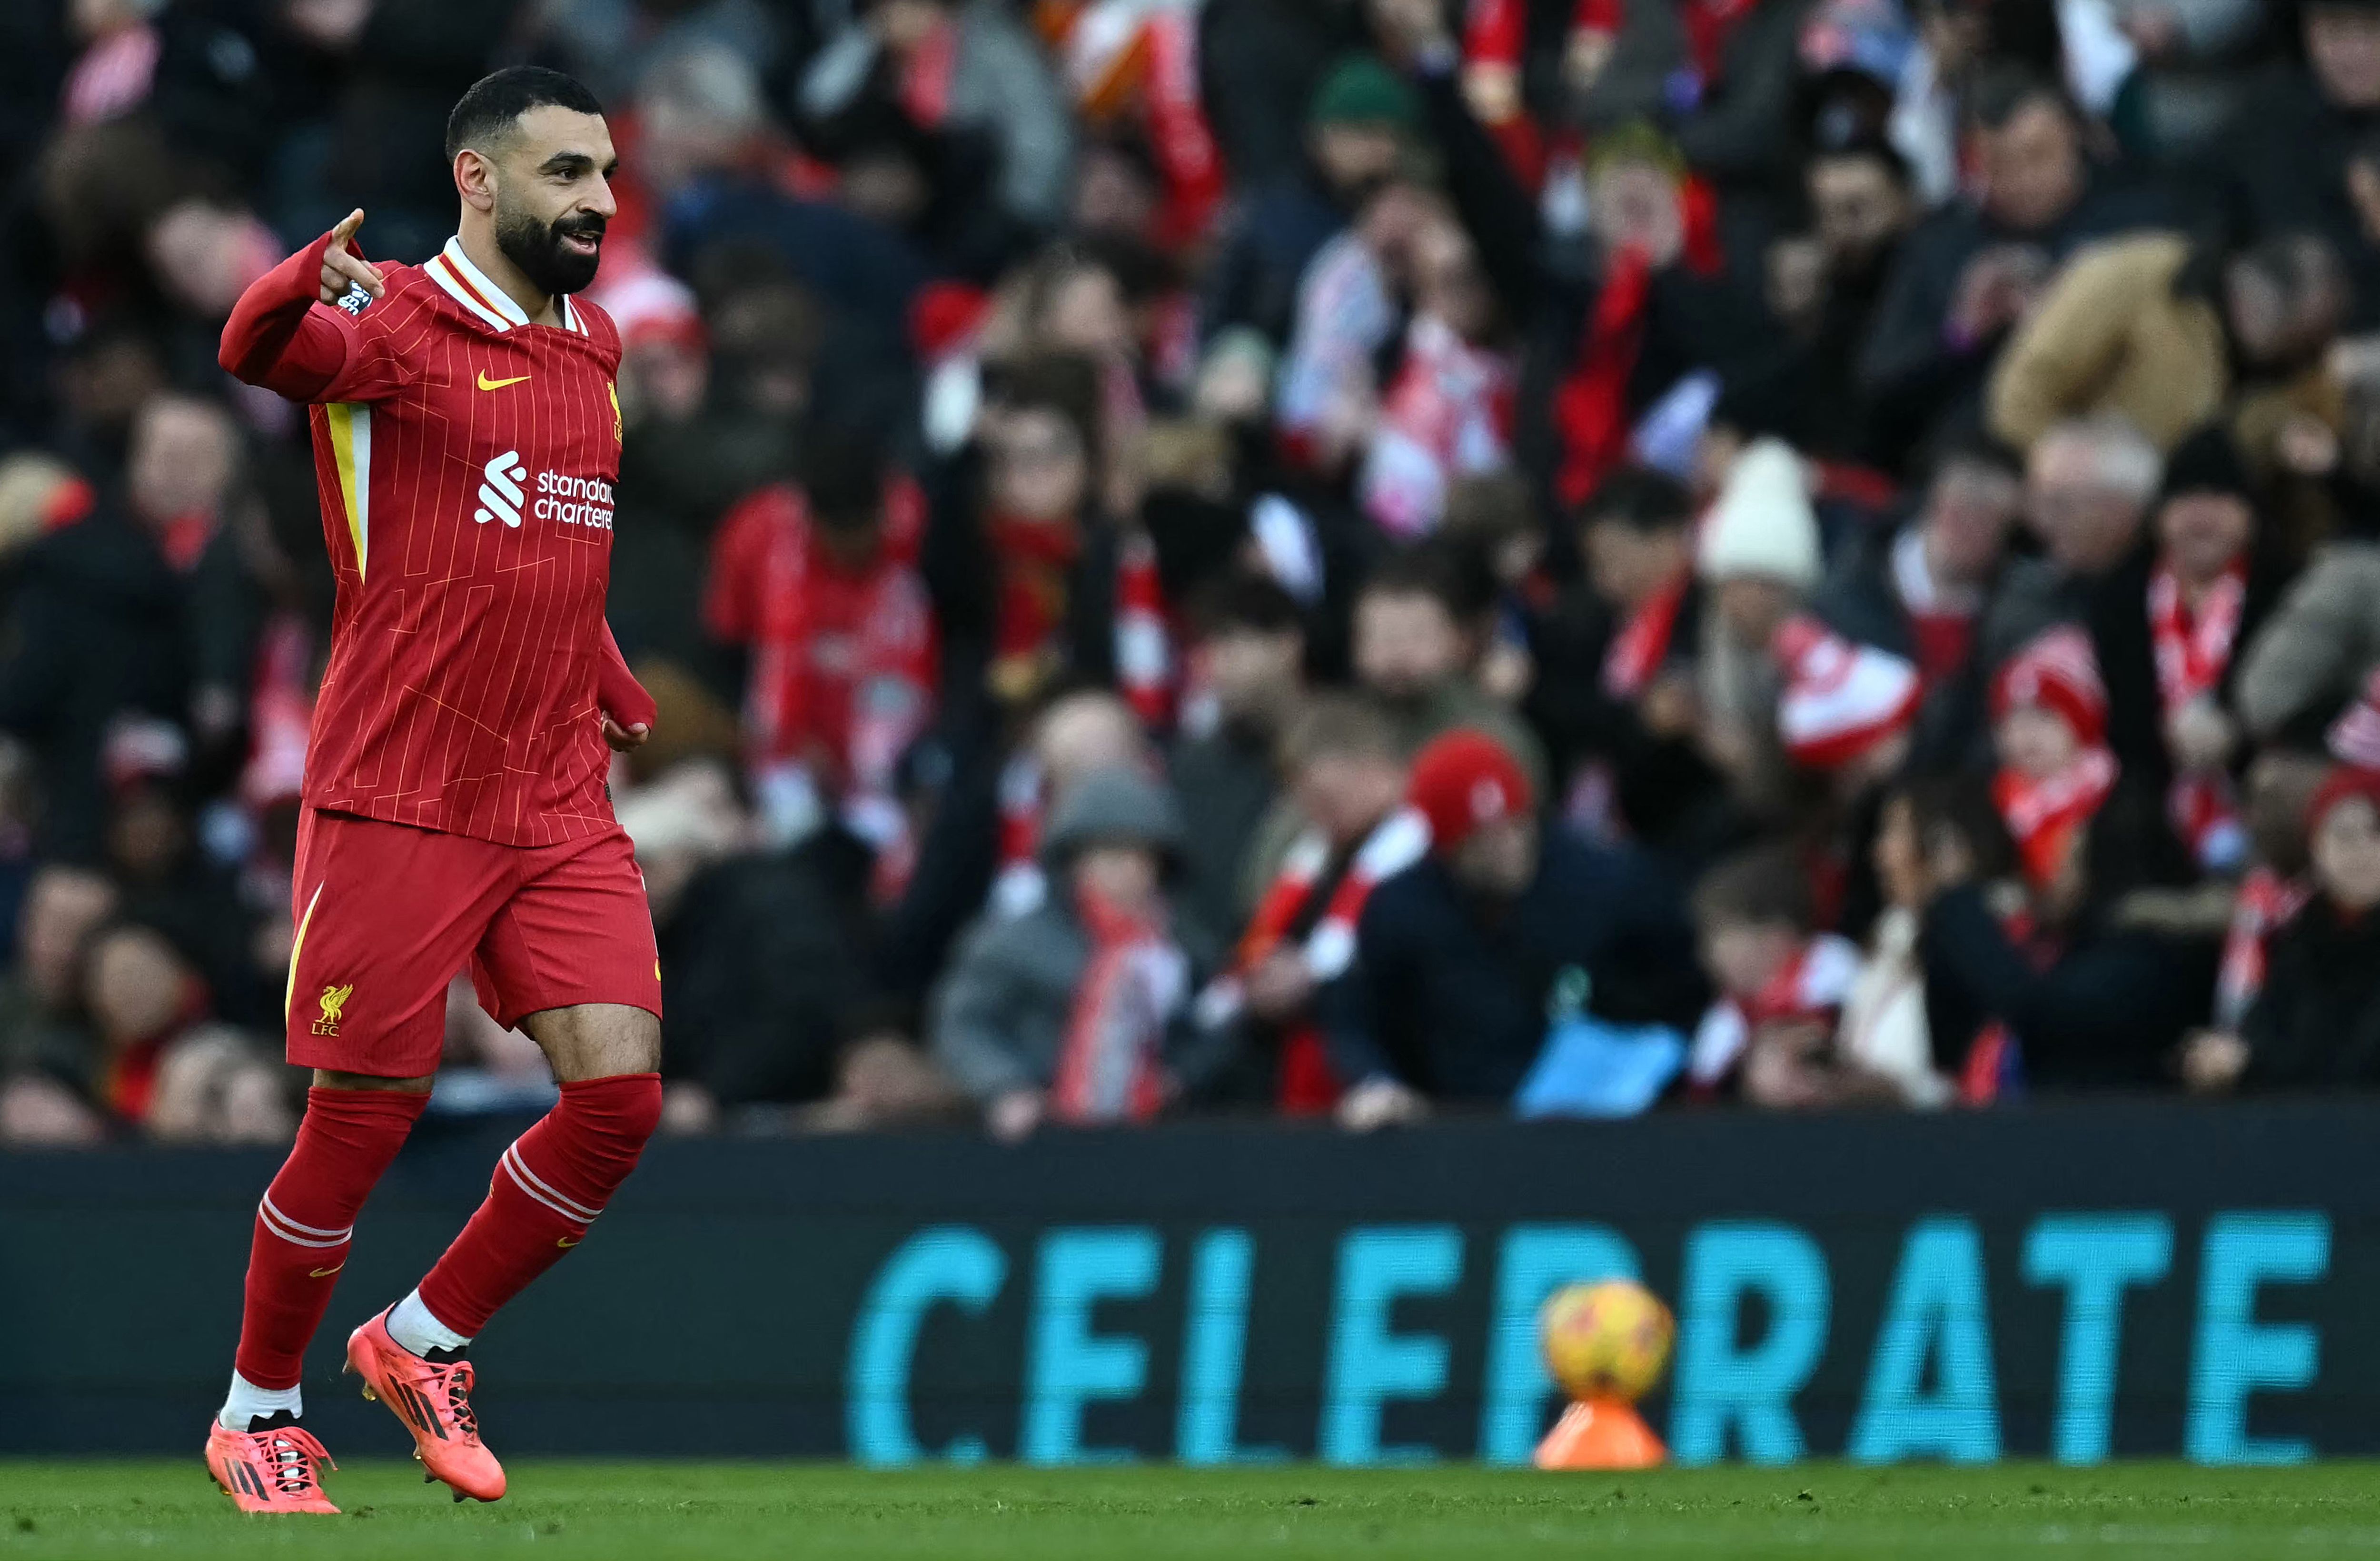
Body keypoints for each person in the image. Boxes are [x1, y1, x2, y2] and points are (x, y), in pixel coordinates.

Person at [203, 67, 665, 1512]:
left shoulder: (593, 346)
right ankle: (255, 1409)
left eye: (602, 174)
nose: (596, 200)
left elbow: (545, 543)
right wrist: (292, 281)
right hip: (402, 782)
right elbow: (254, 353)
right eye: (565, 175)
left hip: (550, 793)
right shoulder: (399, 319)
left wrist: (609, 677)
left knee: (619, 1101)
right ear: (479, 179)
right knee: (365, 1110)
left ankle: (420, 1340)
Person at [1319, 728, 1703, 1127]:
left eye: (1515, 828)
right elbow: (1356, 1015)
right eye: (1483, 841)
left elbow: (1680, 990)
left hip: (1605, 1126)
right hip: (1463, 1131)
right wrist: (1377, 1081)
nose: (1508, 850)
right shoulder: (1402, 907)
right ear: (1449, 849)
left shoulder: (1605, 879)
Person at [929, 765, 1232, 1141]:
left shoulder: (1183, 945)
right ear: (1073, 863)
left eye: (1140, 855)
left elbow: (1217, 1019)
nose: (1125, 870)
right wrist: (1005, 1087)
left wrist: (1181, 1075)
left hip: (1151, 1131)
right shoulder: (1017, 941)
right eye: (1107, 853)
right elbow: (964, 1022)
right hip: (1043, 1131)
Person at [1684, 844, 1872, 1106]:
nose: (1708, 955)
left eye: (1720, 936)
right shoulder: (1725, 1020)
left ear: (1776, 934)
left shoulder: (1832, 964)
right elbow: (1703, 1093)